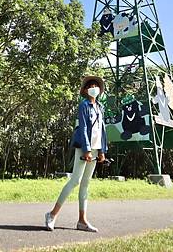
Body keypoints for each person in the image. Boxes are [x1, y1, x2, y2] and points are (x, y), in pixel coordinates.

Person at [45, 76, 107, 232]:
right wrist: (86, 149)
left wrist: (102, 151)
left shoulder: (100, 107)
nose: (94, 88)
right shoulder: (83, 106)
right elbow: (84, 128)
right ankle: (52, 215)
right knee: (75, 181)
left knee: (86, 184)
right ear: (85, 90)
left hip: (95, 148)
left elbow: (101, 130)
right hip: (84, 148)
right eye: (91, 86)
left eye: (96, 86)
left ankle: (82, 221)